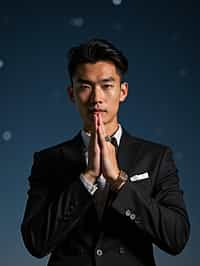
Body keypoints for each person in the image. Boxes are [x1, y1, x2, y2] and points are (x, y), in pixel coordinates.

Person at [21, 38, 190, 266]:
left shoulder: (157, 157)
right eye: (85, 86)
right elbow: (35, 242)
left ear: (123, 91)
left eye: (106, 85)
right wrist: (87, 177)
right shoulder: (47, 161)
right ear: (72, 94)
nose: (96, 98)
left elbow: (176, 237)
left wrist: (119, 182)